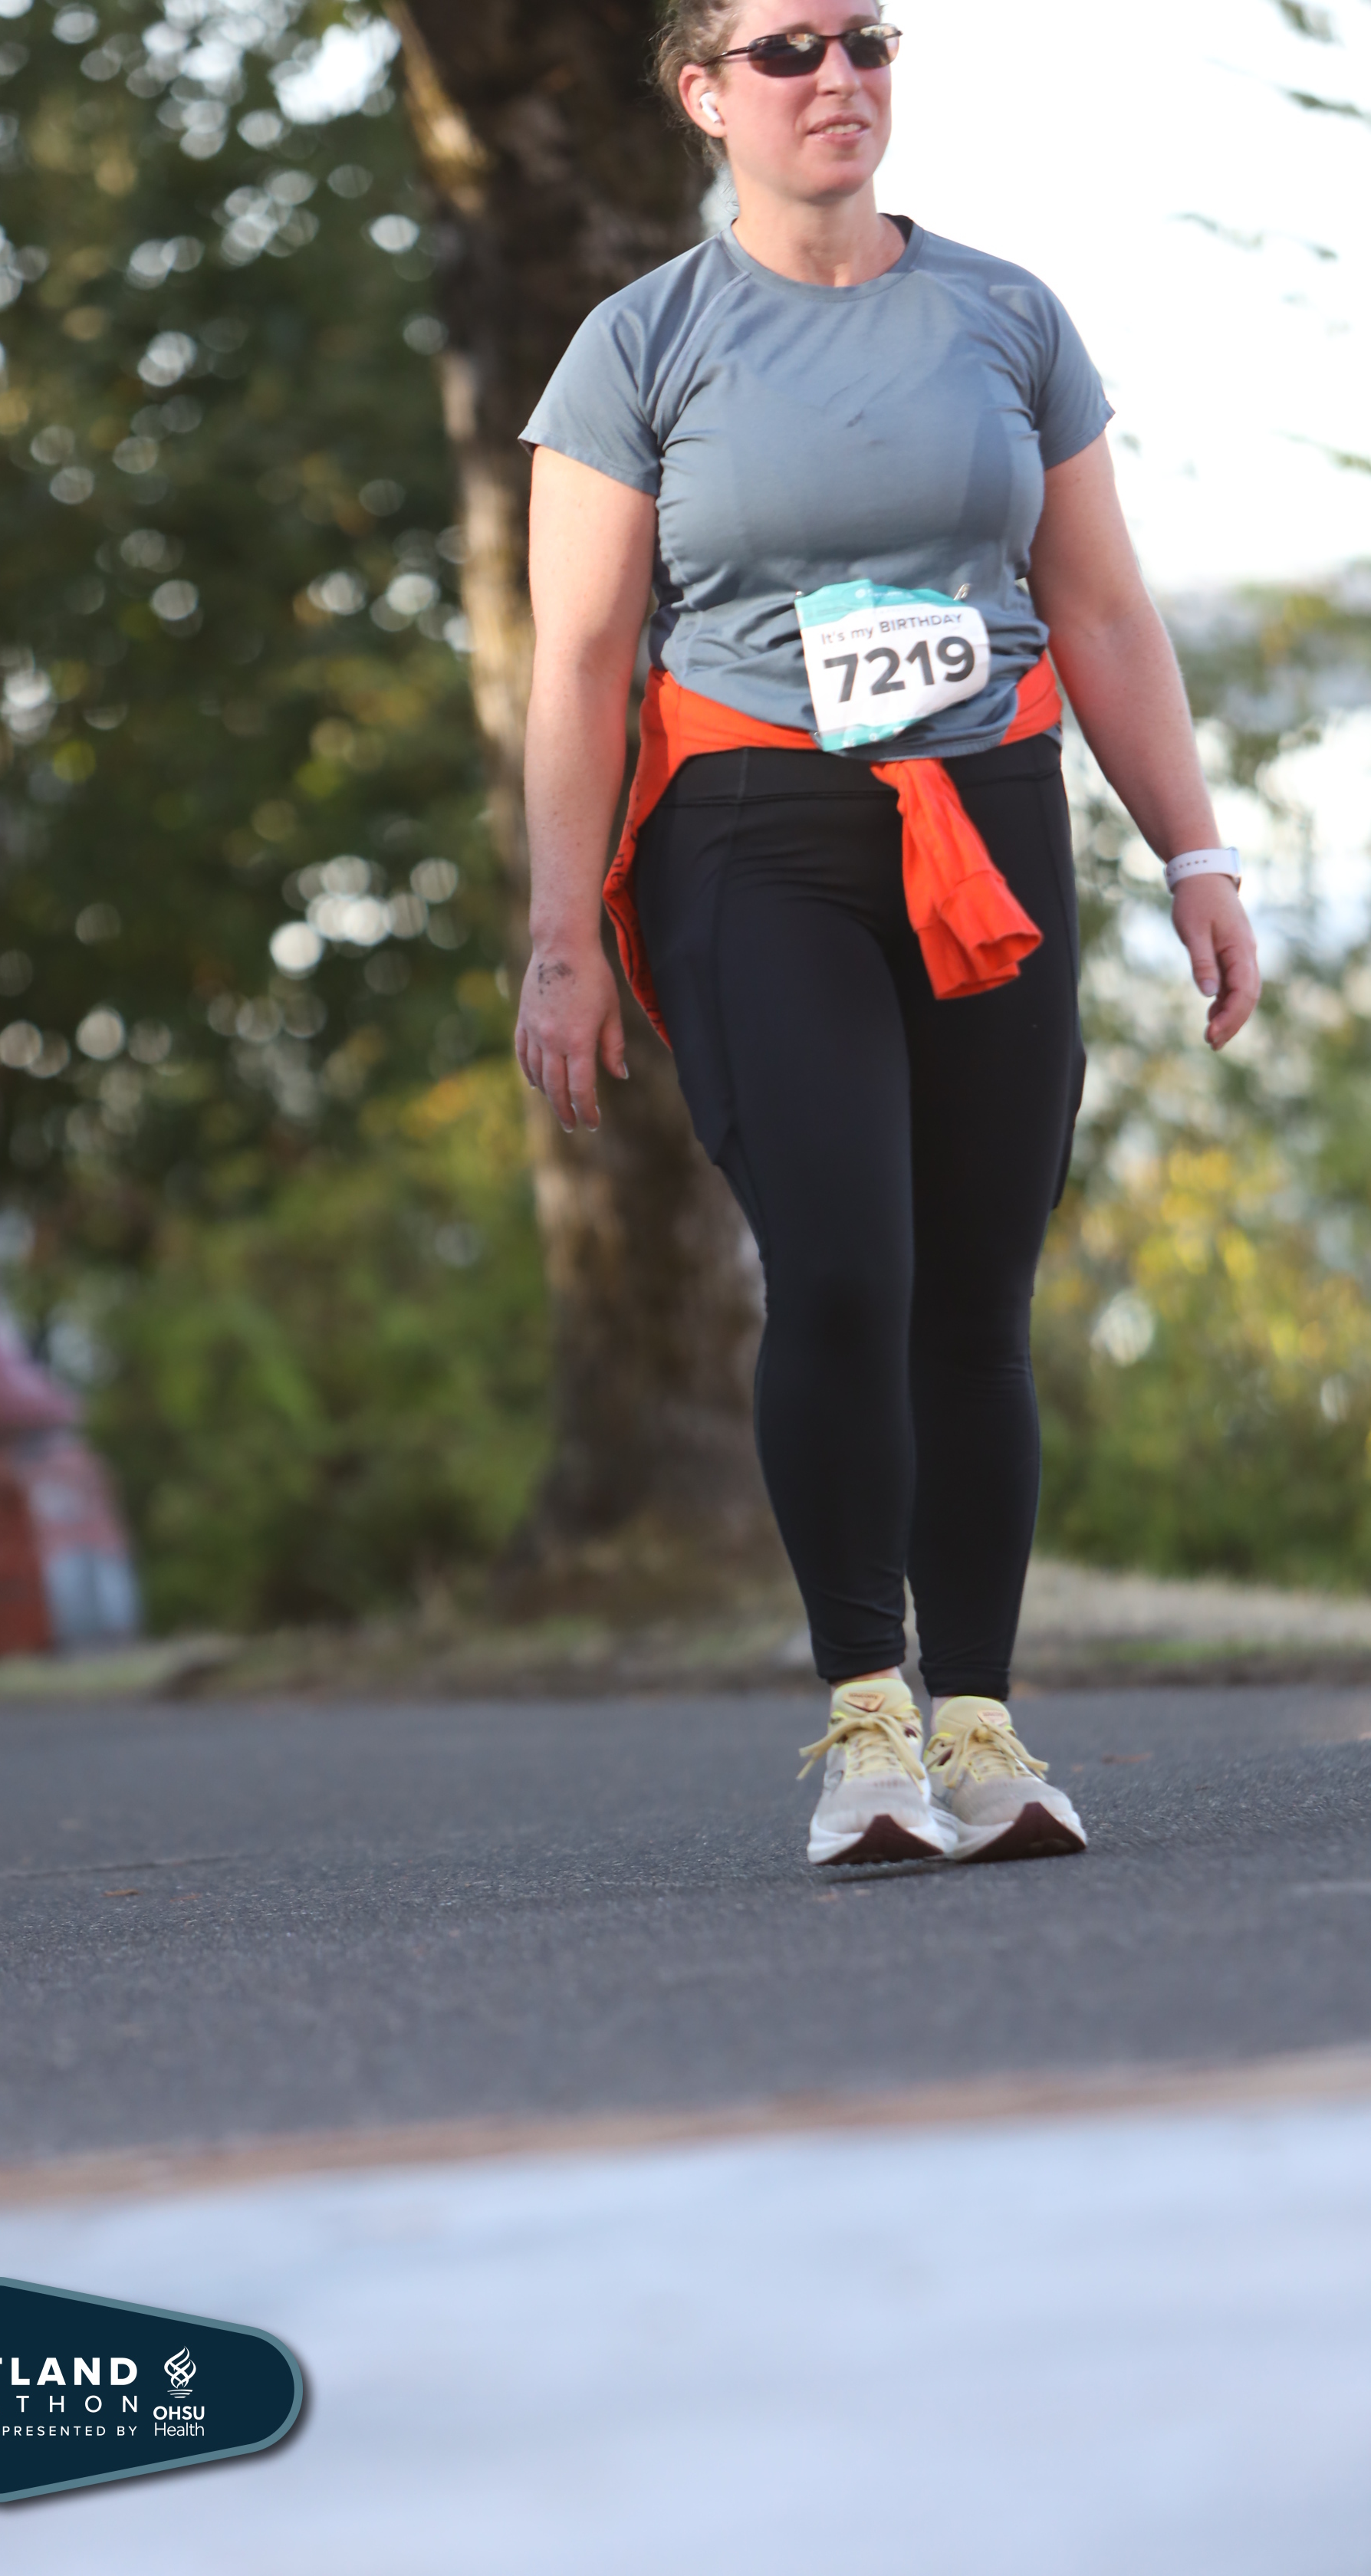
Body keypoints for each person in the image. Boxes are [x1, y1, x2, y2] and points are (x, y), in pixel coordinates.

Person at [515, 4, 1261, 1867]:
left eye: (866, 38)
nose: (838, 76)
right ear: (704, 96)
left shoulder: (1007, 316)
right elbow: (580, 662)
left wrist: (1196, 856)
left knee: (975, 1295)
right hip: (751, 837)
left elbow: (1100, 613)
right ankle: (866, 1724)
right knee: (843, 1267)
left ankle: (984, 1732)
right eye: (787, 50)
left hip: (987, 822)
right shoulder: (639, 345)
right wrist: (560, 938)